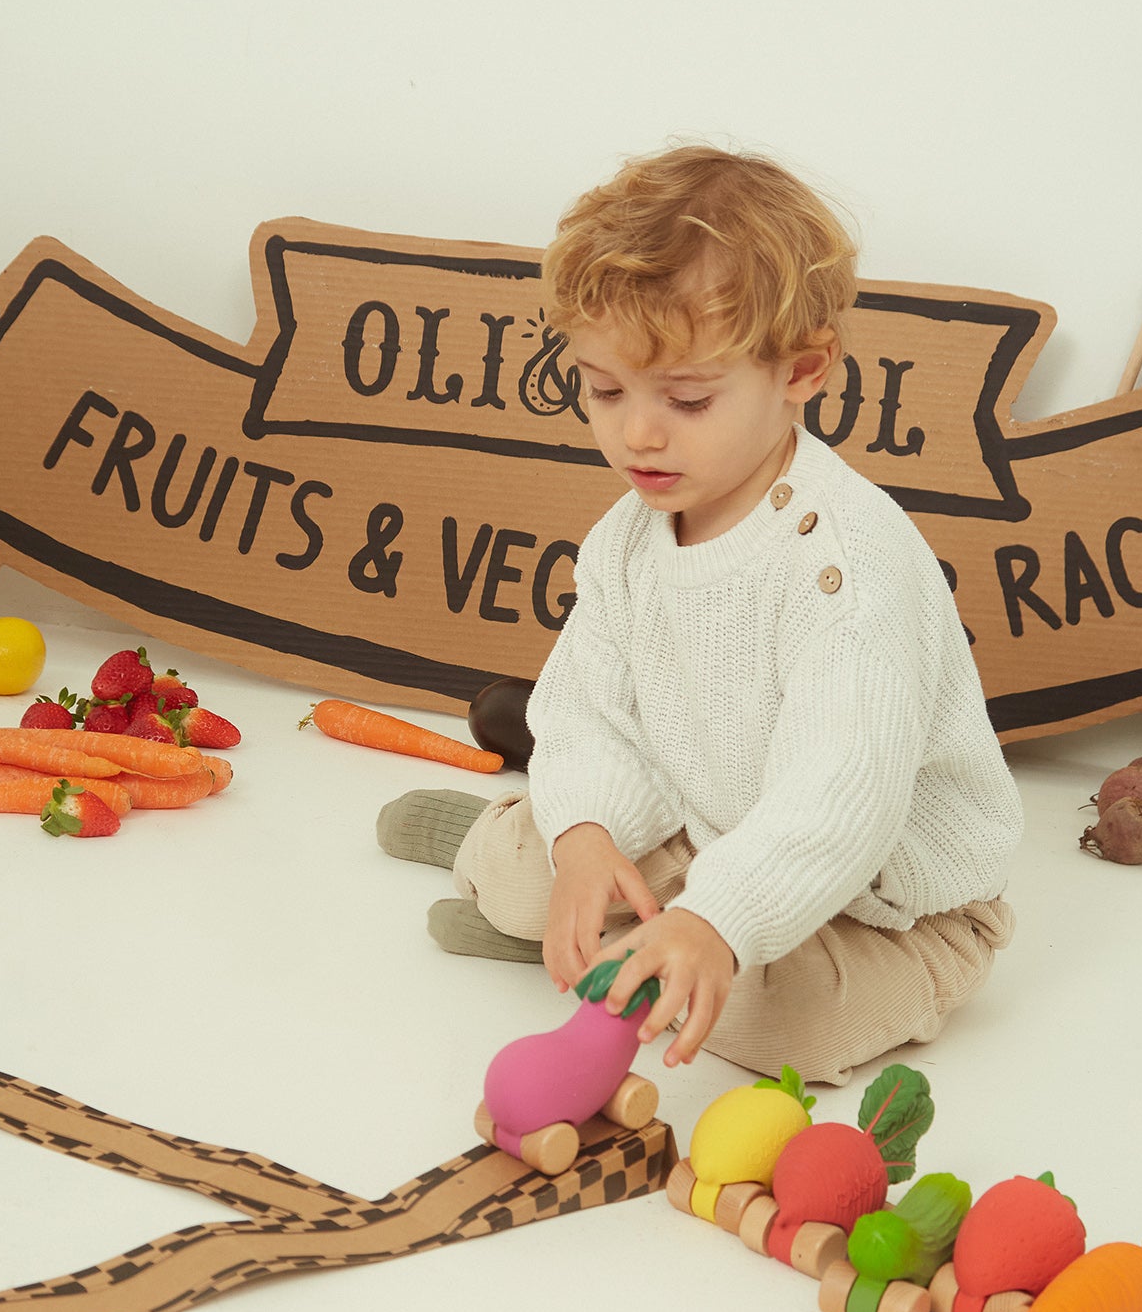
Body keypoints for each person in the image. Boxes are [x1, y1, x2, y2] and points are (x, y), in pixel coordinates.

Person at [377, 145, 1021, 1086]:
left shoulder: (845, 572)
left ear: (801, 372)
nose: (638, 432)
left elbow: (841, 798)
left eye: (686, 398)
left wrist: (717, 921)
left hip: (888, 897)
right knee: (546, 855)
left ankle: (645, 950)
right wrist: (587, 832)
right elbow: (589, 703)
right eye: (604, 390)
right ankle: (515, 866)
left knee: (784, 1025)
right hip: (711, 820)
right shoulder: (632, 535)